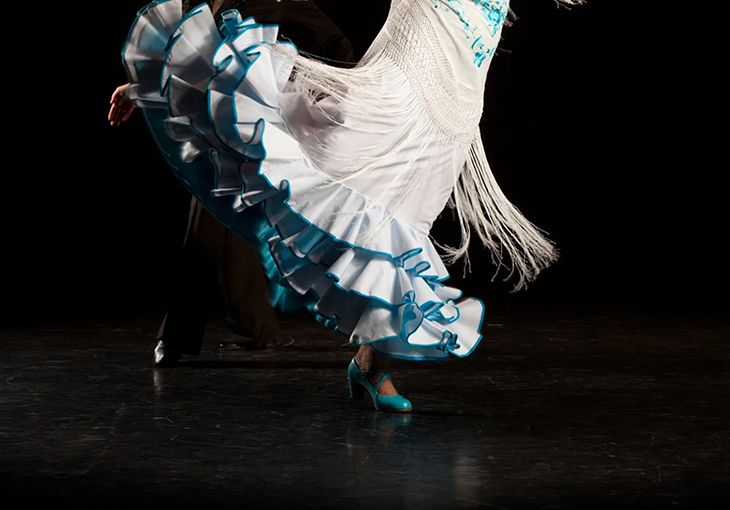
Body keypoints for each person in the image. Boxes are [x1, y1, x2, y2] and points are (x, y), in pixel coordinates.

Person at [114, 0, 579, 412]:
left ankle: (370, 364)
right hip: (399, 89)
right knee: (331, 164)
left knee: (406, 229)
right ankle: (197, 91)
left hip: (455, 112)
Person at [109, 0, 355, 366]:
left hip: (259, 124)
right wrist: (135, 88)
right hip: (214, 122)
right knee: (228, 216)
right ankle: (251, 327)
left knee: (224, 217)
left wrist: (319, 97)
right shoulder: (194, 2)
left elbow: (337, 46)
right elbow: (184, 58)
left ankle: (185, 335)